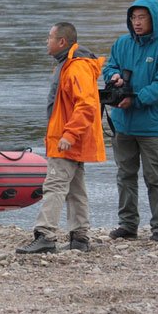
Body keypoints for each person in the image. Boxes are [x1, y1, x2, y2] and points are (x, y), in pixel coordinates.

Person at [16, 23, 105, 254]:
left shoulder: (75, 68)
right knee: (76, 189)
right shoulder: (69, 66)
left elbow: (86, 105)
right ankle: (79, 237)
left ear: (62, 42)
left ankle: (45, 235)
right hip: (72, 139)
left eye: (49, 38)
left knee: (54, 185)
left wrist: (69, 134)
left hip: (66, 140)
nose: (47, 42)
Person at [103, 0, 158, 242]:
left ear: (154, 19)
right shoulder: (122, 43)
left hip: (152, 125)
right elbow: (108, 67)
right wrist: (114, 76)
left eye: (142, 17)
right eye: (133, 18)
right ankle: (128, 224)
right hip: (123, 123)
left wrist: (134, 99)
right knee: (124, 175)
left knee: (155, 177)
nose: (136, 22)